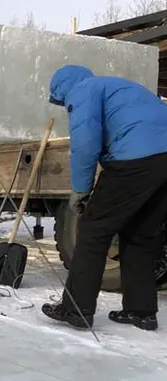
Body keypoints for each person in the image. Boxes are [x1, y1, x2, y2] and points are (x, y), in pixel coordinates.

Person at [41, 64, 167, 331]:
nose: (65, 106)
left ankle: (76, 309)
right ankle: (141, 311)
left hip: (135, 159)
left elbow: (85, 143)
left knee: (92, 229)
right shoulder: (119, 86)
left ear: (64, 89)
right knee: (141, 234)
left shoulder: (83, 90)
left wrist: (81, 190)